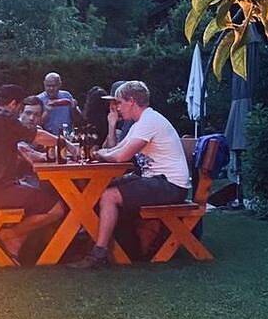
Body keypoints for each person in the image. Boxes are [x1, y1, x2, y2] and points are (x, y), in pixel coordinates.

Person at [71, 81, 192, 269]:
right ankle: (97, 244)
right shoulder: (140, 123)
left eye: (119, 103)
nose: (117, 108)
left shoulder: (149, 121)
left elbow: (120, 157)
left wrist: (98, 154)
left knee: (108, 196)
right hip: (157, 180)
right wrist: (103, 146)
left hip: (170, 185)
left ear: (132, 101)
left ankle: (99, 254)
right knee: (102, 189)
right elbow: (116, 149)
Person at [0, 84, 67, 261]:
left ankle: (16, 243)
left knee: (39, 194)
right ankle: (10, 235)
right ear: (14, 104)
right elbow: (37, 136)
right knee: (57, 208)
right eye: (20, 108)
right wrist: (68, 145)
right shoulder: (4, 119)